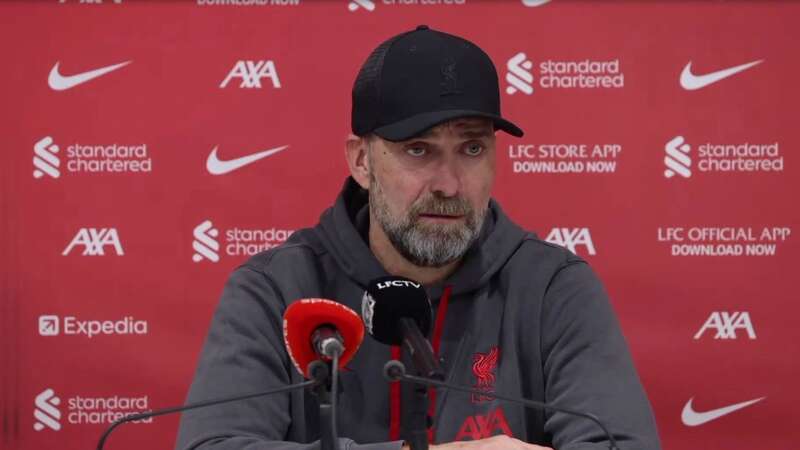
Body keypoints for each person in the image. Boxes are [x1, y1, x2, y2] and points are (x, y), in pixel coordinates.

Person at [176, 26, 661, 450]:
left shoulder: (554, 287)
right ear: (362, 162)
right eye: (418, 150)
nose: (449, 184)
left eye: (472, 148)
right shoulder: (274, 288)